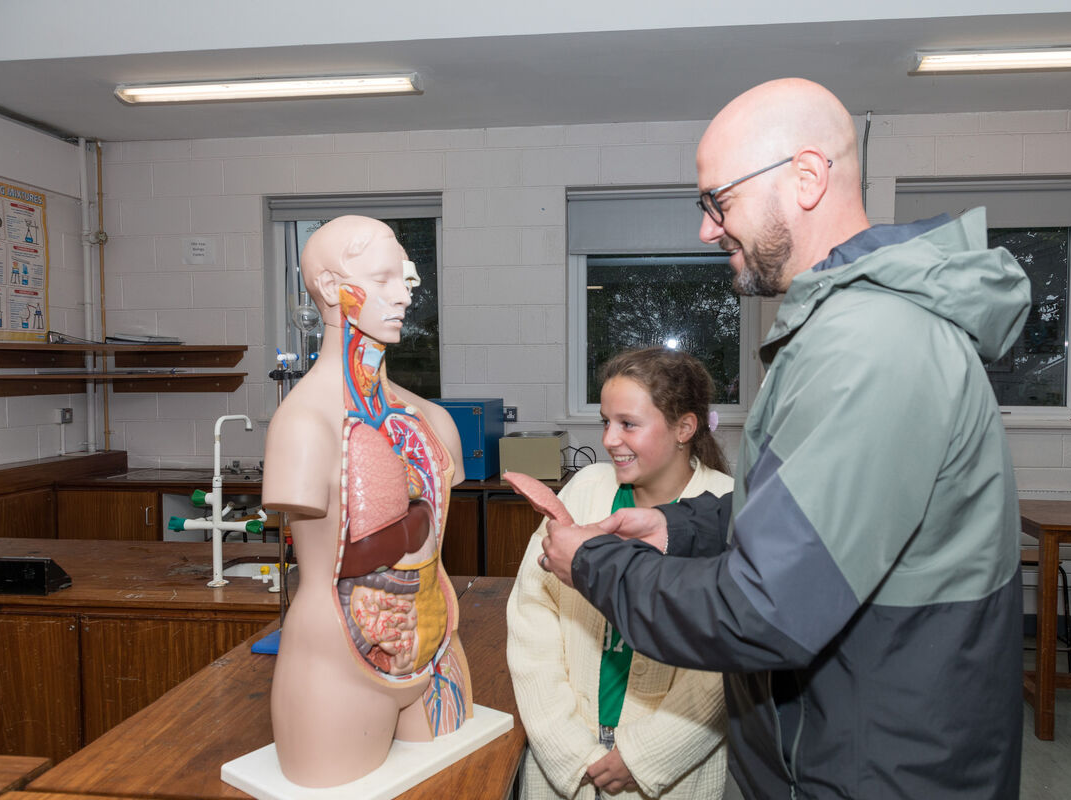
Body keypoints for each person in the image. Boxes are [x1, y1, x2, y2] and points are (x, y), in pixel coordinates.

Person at [541, 78, 1032, 799]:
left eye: (719, 200)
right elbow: (799, 514)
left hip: (877, 770)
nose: (707, 229)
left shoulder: (871, 344)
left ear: (805, 178)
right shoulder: (845, 328)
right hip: (849, 743)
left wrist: (598, 566)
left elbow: (763, 610)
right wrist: (677, 529)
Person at [262, 215, 471, 787]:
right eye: (382, 279)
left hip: (437, 645)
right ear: (330, 288)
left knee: (457, 787)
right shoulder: (303, 425)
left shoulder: (433, 420)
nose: (404, 295)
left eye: (405, 278)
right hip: (336, 666)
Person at [507, 347, 732, 800]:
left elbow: (725, 666)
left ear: (684, 428)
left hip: (674, 774)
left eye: (628, 424)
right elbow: (533, 610)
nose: (610, 439)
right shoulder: (587, 487)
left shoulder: (731, 507)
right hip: (564, 763)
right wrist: (567, 749)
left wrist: (645, 756)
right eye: (605, 422)